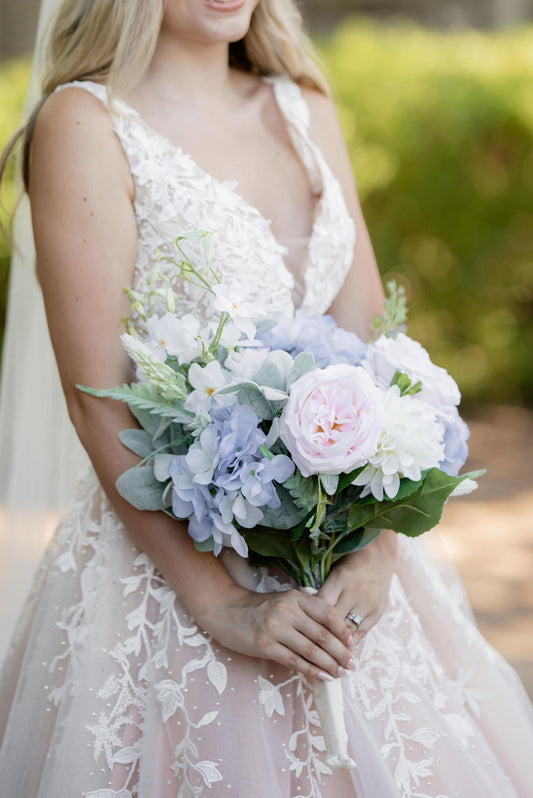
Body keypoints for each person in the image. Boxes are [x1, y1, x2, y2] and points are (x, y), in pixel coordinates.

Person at [0, 0, 532, 796]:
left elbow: (374, 351)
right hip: (175, 568)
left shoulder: (302, 105)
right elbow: (96, 398)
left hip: (344, 566)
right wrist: (221, 605)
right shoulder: (85, 124)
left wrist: (377, 556)